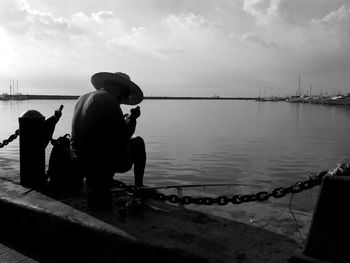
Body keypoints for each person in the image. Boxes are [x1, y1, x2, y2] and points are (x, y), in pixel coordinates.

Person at [71, 72, 146, 207]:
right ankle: (139, 187)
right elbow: (123, 135)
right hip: (99, 163)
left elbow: (99, 130)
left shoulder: (82, 98)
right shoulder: (108, 99)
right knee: (138, 142)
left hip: (79, 161)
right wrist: (132, 119)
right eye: (123, 96)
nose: (122, 100)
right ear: (118, 89)